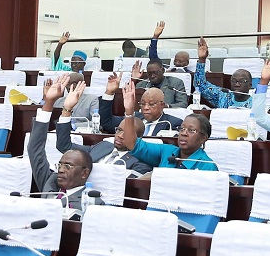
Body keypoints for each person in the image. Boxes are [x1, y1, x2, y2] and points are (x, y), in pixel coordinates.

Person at [119, 80, 217, 171]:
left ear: (203, 138)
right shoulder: (167, 151)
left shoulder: (208, 166)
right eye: (182, 129)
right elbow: (132, 144)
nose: (183, 133)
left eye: (191, 130)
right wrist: (129, 111)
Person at [29, 75, 94, 210]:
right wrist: (49, 102)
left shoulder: (92, 202)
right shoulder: (50, 183)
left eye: (68, 166)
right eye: (60, 165)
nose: (60, 170)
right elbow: (35, 149)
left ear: (84, 173)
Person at [56, 110, 152, 177]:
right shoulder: (104, 146)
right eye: (119, 130)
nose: (120, 136)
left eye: (127, 133)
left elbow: (129, 185)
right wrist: (66, 112)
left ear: (138, 139)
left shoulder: (142, 160)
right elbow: (64, 146)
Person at [99, 75, 183, 136]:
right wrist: (109, 93)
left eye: (151, 104)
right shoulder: (134, 117)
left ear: (162, 105)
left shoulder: (173, 123)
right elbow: (106, 123)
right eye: (142, 104)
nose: (146, 108)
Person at [193, 35, 253, 108]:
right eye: (234, 81)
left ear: (250, 85)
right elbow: (200, 85)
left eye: (241, 81)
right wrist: (202, 59)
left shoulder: (255, 103)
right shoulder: (223, 96)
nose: (237, 84)